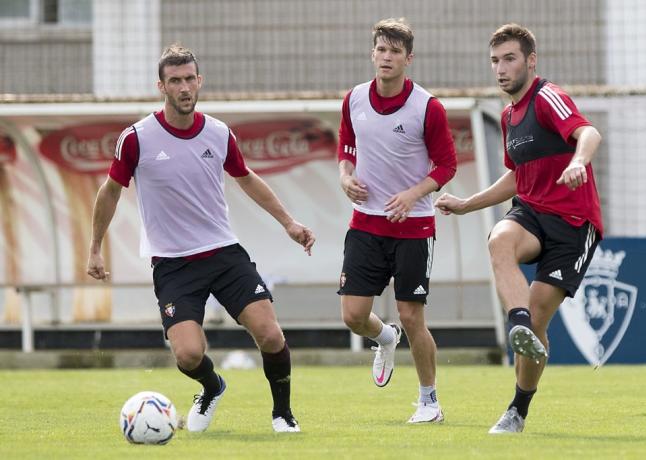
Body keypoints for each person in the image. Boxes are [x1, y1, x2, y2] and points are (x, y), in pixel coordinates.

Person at [87, 44, 315, 433]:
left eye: (190, 78)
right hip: (173, 263)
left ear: (200, 81)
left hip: (224, 254)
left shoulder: (218, 132)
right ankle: (212, 387)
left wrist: (289, 223)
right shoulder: (137, 138)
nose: (184, 87)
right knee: (190, 354)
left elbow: (247, 179)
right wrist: (95, 247)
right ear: (161, 85)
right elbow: (109, 191)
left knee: (270, 335)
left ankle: (283, 414)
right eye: (175, 80)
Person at [435, 23, 603, 433]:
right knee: (500, 240)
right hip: (531, 211)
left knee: (540, 317)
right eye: (494, 60)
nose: (500, 68)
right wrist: (467, 204)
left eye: (509, 59)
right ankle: (518, 324)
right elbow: (516, 177)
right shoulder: (509, 115)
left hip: (573, 224)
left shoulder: (548, 97)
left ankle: (518, 409)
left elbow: (588, 132)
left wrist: (579, 161)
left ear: (530, 61)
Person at [337, 18, 457, 424]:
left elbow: (447, 165)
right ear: (373, 53)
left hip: (414, 228)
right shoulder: (353, 99)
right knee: (354, 316)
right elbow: (346, 145)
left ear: (409, 58)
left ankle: (429, 402)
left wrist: (412, 195)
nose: (386, 57)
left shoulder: (428, 107)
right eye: (381, 50)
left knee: (412, 316)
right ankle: (384, 338)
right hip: (365, 224)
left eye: (395, 51)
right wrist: (344, 176)